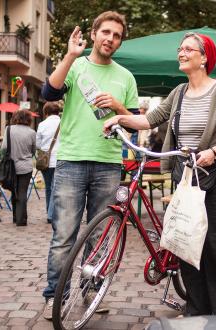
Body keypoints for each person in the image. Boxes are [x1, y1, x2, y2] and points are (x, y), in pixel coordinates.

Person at [104, 32, 216, 316]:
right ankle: (197, 306)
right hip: (184, 174)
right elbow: (148, 120)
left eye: (188, 49)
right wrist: (120, 117)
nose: (181, 53)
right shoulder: (179, 93)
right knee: (185, 240)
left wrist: (215, 152)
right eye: (180, 49)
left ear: (204, 57)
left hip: (214, 175)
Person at [39, 11, 139, 319]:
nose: (110, 38)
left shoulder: (126, 77)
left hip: (109, 164)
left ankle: (91, 289)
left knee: (99, 236)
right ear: (94, 34)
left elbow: (134, 123)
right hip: (71, 161)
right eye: (106, 32)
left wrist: (118, 106)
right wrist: (69, 55)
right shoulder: (76, 65)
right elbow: (49, 92)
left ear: (120, 42)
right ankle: (55, 296)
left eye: (117, 35)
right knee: (64, 236)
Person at [0, 110, 36, 226]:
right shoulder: (31, 132)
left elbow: (4, 148)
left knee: (14, 192)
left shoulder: (8, 129)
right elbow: (34, 150)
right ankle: (21, 219)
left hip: (11, 166)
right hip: (26, 167)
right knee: (22, 192)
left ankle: (16, 217)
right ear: (28, 119)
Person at [35, 102, 61, 224]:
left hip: (45, 161)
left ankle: (49, 212)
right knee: (56, 188)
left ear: (46, 112)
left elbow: (37, 144)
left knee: (49, 187)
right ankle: (51, 215)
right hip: (60, 159)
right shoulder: (64, 123)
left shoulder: (42, 124)